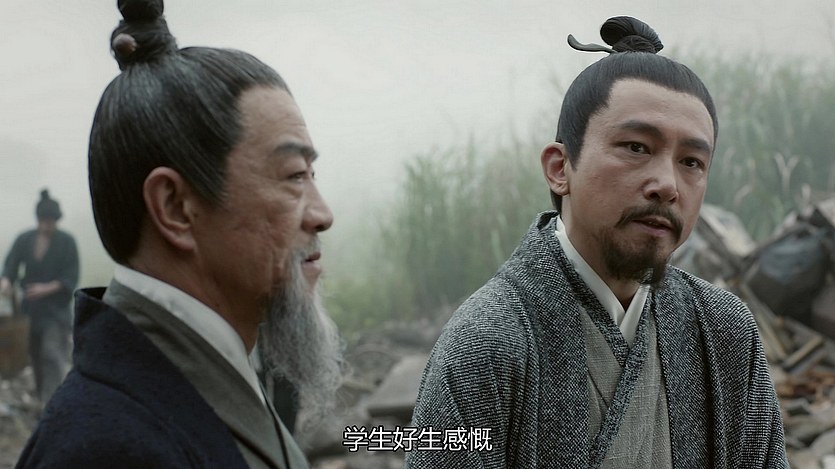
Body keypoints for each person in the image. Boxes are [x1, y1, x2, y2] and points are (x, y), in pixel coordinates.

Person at [407, 16, 787, 468]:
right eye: (636, 147)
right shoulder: (485, 343)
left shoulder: (724, 331)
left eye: (691, 161)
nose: (667, 185)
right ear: (559, 168)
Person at [16, 0, 343, 467]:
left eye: (312, 175)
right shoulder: (107, 450)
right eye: (293, 175)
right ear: (175, 208)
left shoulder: (207, 376)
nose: (322, 214)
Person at [1, 190, 78, 404]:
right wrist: (6, 281)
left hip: (55, 311)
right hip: (30, 311)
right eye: (43, 221)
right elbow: (11, 264)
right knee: (35, 354)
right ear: (38, 220)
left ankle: (50, 402)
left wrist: (47, 288)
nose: (47, 226)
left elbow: (71, 275)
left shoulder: (66, 242)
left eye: (50, 221)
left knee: (51, 354)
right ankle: (42, 397)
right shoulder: (25, 239)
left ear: (56, 221)